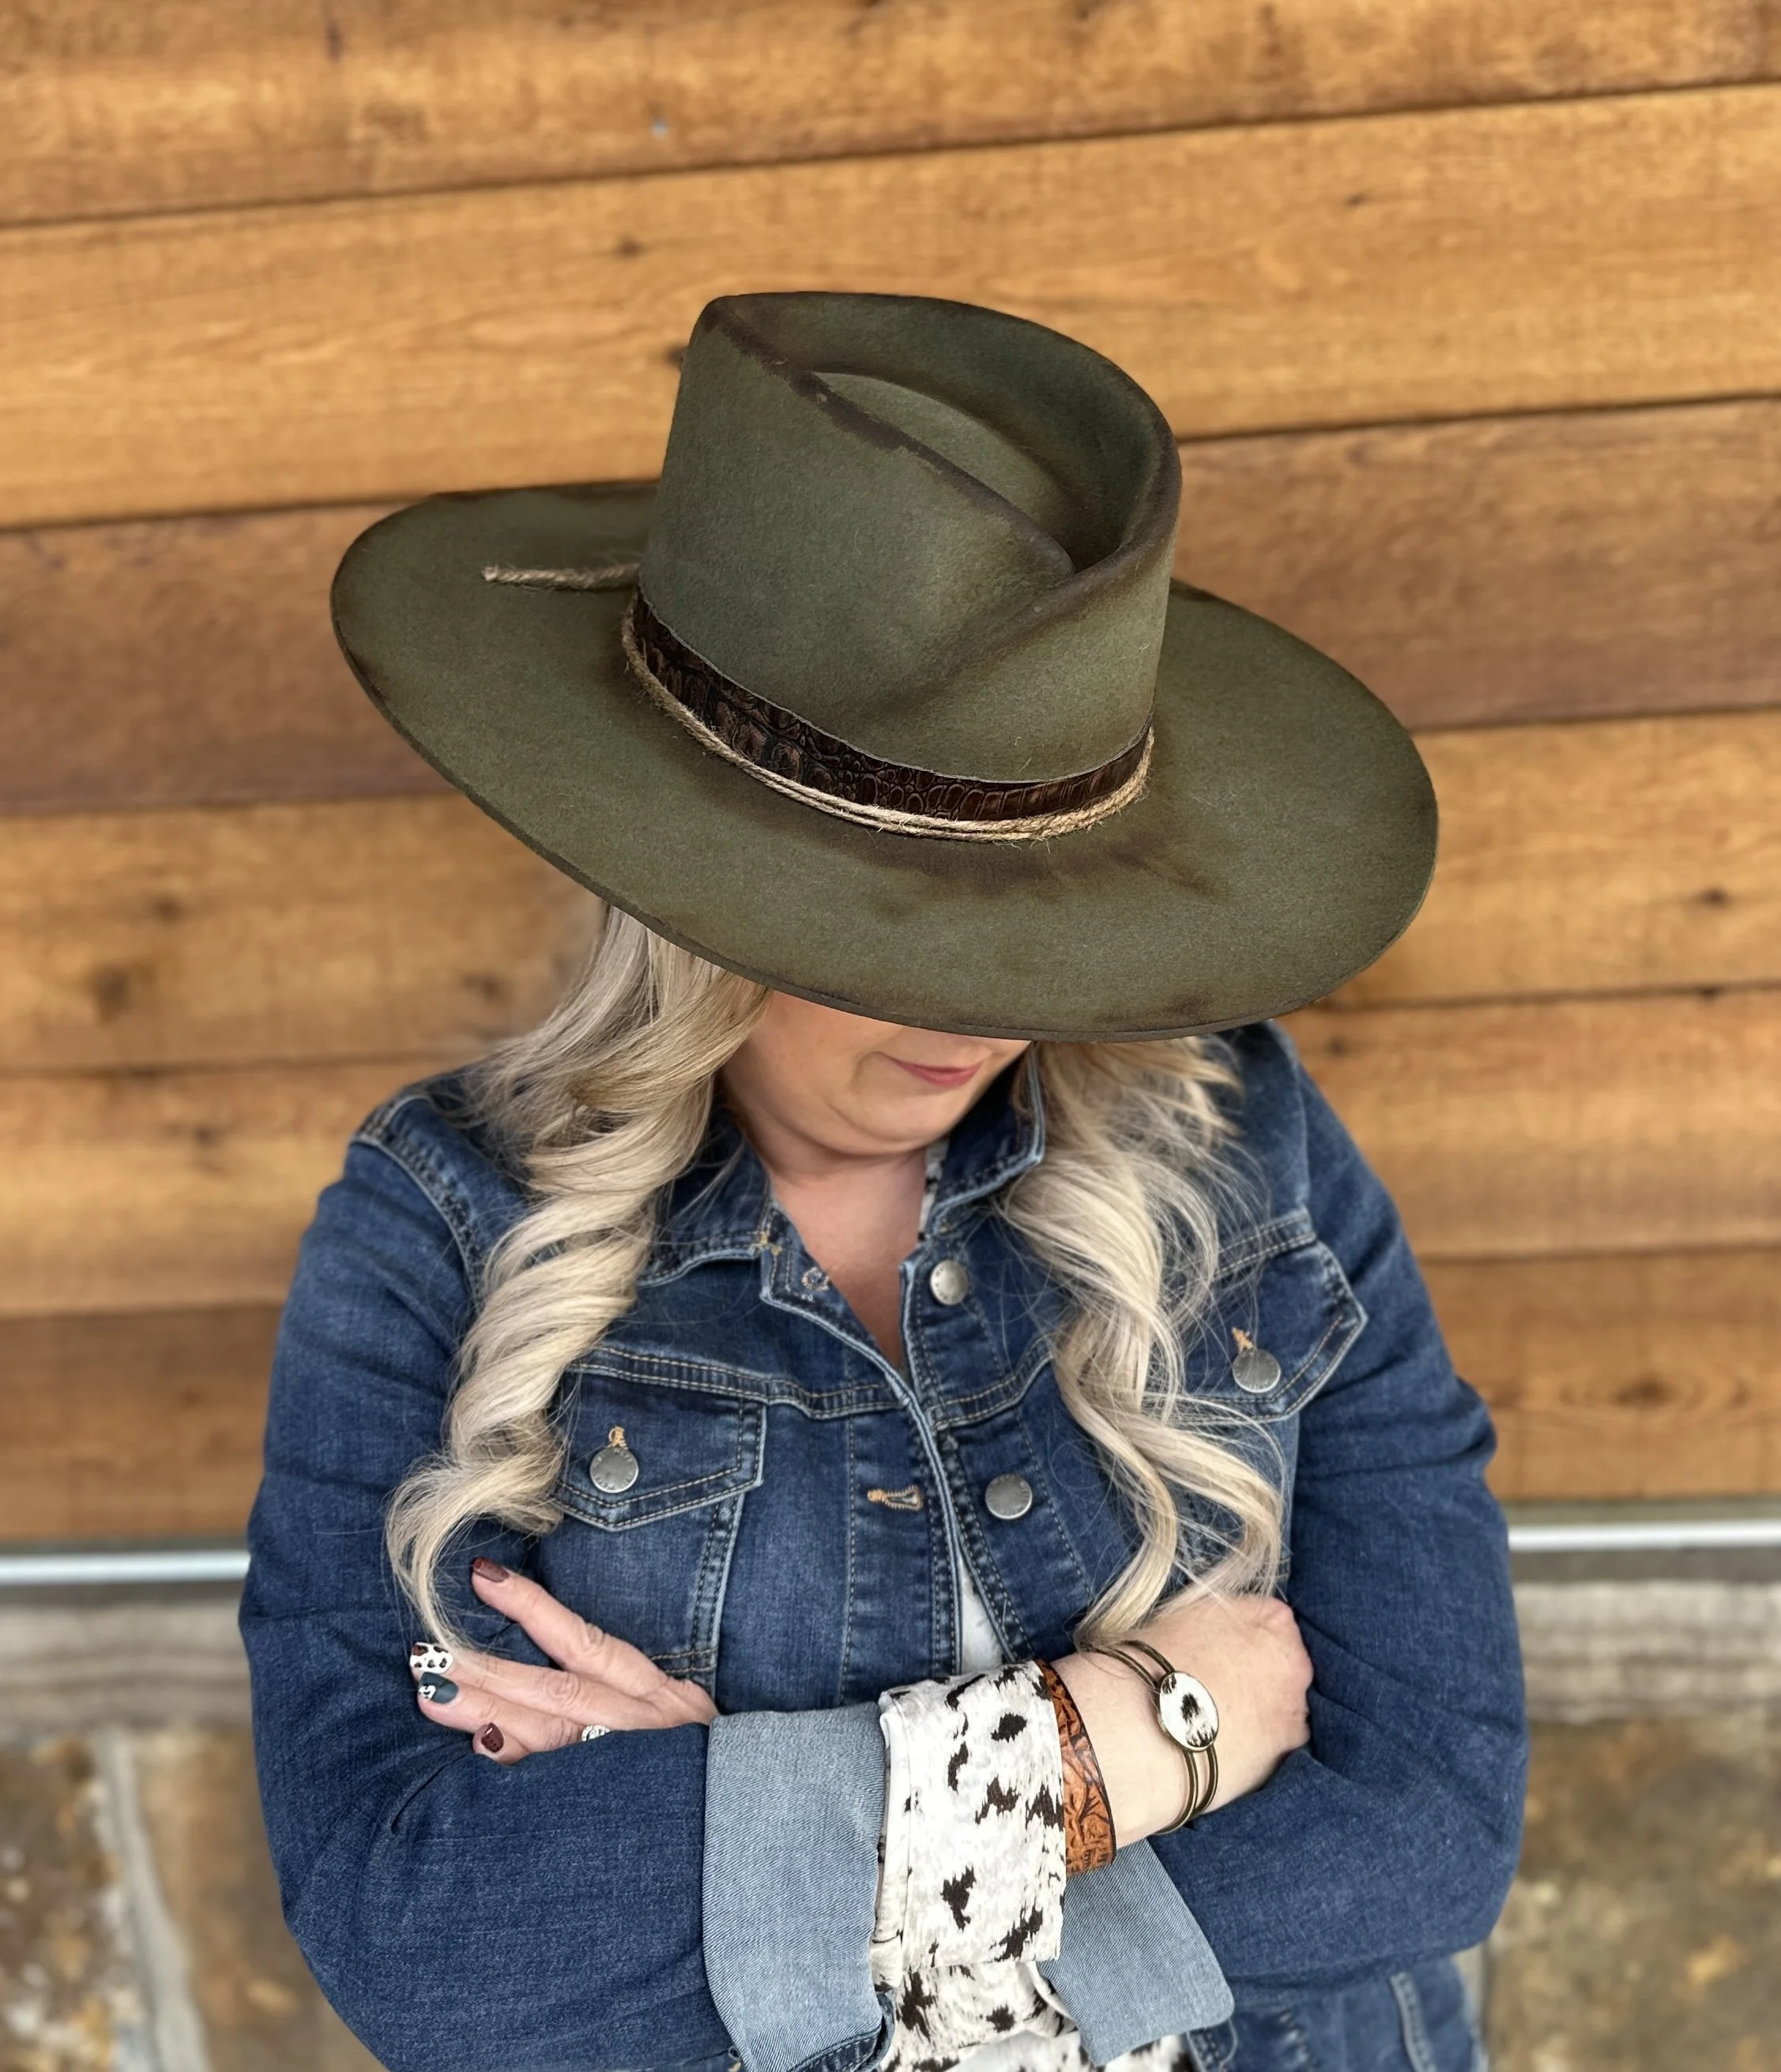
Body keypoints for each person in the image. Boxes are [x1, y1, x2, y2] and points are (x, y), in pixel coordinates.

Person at [243, 292, 1526, 2072]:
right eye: (890, 924)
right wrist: (1121, 1741)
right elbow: (425, 1940)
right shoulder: (441, 1225)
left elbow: (1429, 1834)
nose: (984, 1010)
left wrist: (754, 1836)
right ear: (685, 882)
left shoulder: (1240, 1137)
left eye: (1036, 914)